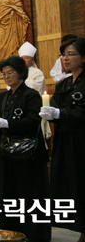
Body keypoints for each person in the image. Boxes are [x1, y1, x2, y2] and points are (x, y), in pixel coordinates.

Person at [0, 56, 50, 242]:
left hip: (26, 156)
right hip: (5, 154)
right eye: (4, 74)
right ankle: (8, 230)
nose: (6, 77)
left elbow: (33, 121)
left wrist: (7, 123)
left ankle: (32, 234)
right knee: (7, 193)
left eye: (11, 73)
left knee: (27, 195)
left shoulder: (30, 95)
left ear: (21, 73)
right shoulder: (2, 96)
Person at [40, 38, 85, 242]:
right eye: (63, 55)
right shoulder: (64, 83)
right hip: (66, 142)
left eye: (71, 54)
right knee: (69, 184)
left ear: (83, 57)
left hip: (82, 142)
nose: (65, 59)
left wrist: (61, 113)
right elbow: (56, 105)